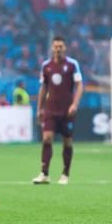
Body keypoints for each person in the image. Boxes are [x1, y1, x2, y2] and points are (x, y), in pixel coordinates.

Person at [33, 36, 83, 185]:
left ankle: (65, 174)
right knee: (47, 138)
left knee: (67, 141)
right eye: (56, 46)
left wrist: (74, 104)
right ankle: (44, 173)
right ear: (52, 48)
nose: (58, 49)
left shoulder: (73, 65)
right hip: (50, 109)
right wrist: (39, 109)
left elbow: (79, 85)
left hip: (67, 110)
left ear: (65, 48)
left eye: (61, 46)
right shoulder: (46, 66)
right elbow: (44, 88)